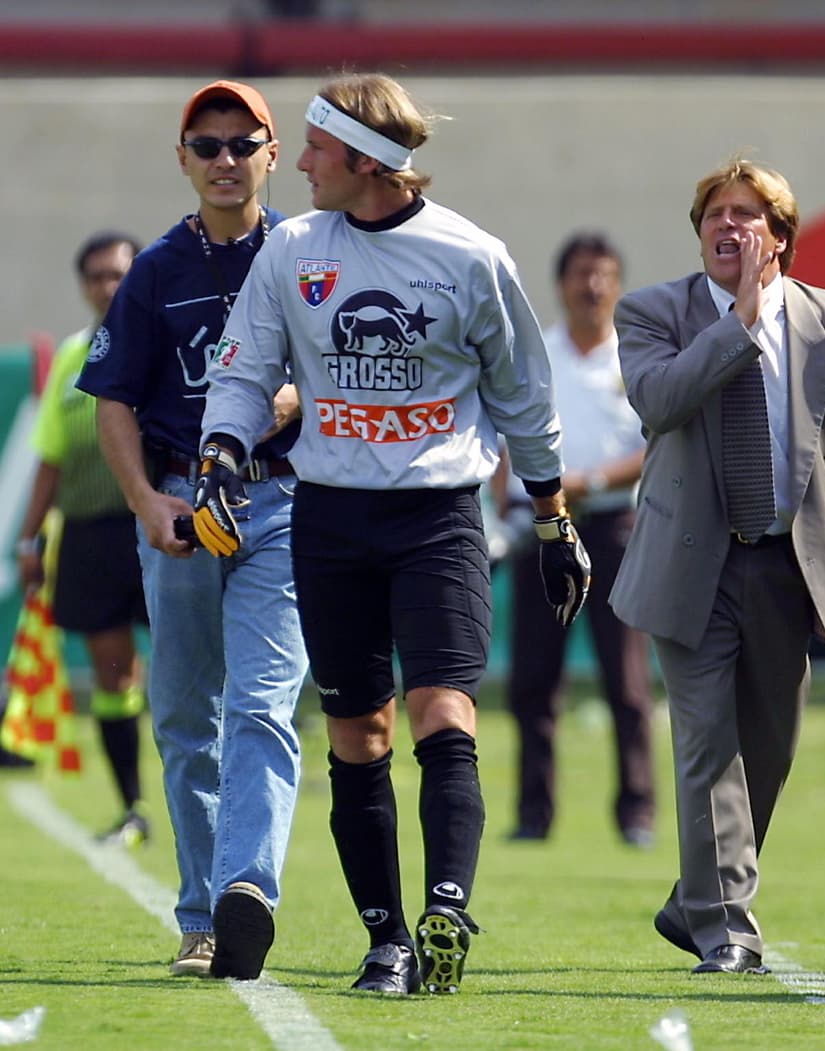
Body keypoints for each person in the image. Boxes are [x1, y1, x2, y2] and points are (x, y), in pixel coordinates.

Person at [197, 72, 589, 997]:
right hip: (329, 518)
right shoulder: (293, 248)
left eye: (316, 148)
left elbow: (524, 398)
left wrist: (552, 518)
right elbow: (246, 370)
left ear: (367, 160)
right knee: (356, 730)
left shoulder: (471, 256)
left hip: (438, 518)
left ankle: (446, 906)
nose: (299, 164)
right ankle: (387, 941)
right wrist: (221, 447)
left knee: (442, 708)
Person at [610, 158, 825, 975]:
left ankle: (695, 894)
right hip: (690, 563)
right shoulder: (654, 311)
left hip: (788, 566)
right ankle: (727, 926)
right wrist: (738, 321)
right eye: (714, 215)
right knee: (708, 745)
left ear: (782, 236)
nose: (727, 226)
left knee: (769, 748)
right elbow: (659, 401)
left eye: (746, 214)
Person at [77, 80, 307, 982]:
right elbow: (113, 399)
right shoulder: (155, 269)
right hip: (177, 501)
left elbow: (341, 369)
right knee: (182, 713)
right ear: (182, 159)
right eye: (206, 145)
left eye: (243, 143)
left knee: (264, 704)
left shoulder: (307, 253)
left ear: (273, 154)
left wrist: (287, 399)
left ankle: (243, 893)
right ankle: (201, 913)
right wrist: (145, 500)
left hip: (278, 498)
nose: (225, 159)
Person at [495, 232, 655, 847]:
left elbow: (655, 447)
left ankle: (637, 813)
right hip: (544, 527)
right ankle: (533, 815)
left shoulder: (634, 358)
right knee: (534, 679)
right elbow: (508, 435)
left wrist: (587, 482)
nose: (593, 286)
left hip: (615, 527)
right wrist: (509, 499)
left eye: (604, 275)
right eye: (582, 275)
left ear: (618, 285)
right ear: (561, 284)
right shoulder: (538, 354)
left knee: (627, 680)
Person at [15, 231, 150, 846]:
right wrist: (29, 541)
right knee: (112, 670)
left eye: (118, 274)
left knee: (192, 667)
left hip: (158, 525)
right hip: (93, 532)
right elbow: (51, 456)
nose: (107, 286)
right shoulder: (73, 356)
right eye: (96, 276)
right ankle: (132, 807)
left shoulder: (162, 337)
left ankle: (218, 799)